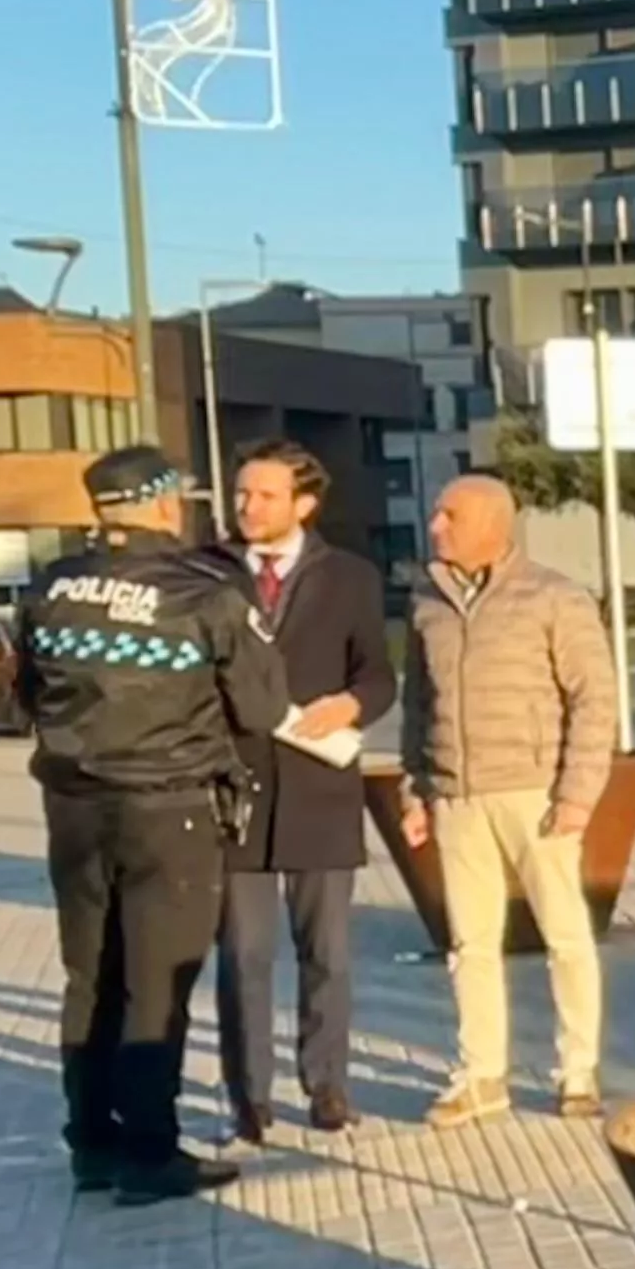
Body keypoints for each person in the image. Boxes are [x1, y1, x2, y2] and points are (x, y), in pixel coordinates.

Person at [16, 446, 291, 1205]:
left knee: (88, 976)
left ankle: (91, 1143)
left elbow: (26, 695)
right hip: (169, 806)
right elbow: (264, 707)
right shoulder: (205, 589)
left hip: (72, 806)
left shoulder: (50, 587)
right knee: (154, 983)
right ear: (166, 503)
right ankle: (148, 1150)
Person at [397, 473, 615, 1125]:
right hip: (458, 797)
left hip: (536, 793)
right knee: (470, 943)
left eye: (449, 515)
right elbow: (418, 706)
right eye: (437, 513)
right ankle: (481, 1076)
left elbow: (593, 698)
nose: (435, 525)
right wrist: (416, 789)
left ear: (494, 524)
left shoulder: (553, 596)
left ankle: (578, 1070)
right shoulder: (426, 604)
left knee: (565, 936)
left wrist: (576, 794)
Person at [211, 439, 395, 1142]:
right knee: (244, 955)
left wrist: (351, 704)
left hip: (320, 786)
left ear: (304, 504)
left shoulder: (349, 577)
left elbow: (378, 673)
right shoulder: (208, 574)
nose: (246, 507)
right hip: (237, 790)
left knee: (328, 953)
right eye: (240, 494)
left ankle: (326, 1086)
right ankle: (248, 1098)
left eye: (262, 495)